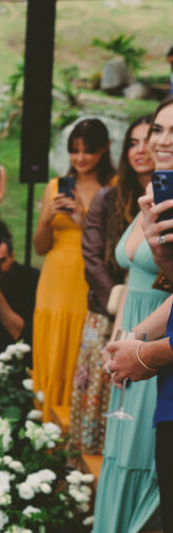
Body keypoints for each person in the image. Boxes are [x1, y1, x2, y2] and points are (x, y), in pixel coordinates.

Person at [86, 111, 163, 533]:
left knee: (140, 465)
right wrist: (121, 337)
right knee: (117, 457)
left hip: (156, 348)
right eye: (158, 131)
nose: (159, 142)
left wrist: (141, 341)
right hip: (130, 340)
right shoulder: (145, 197)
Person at [71, 116, 153, 454]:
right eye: (132, 143)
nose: (141, 149)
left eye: (148, 140)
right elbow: (92, 258)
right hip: (106, 311)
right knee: (94, 395)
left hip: (153, 315)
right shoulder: (108, 197)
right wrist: (117, 305)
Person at [31, 117, 115, 424]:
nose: (80, 158)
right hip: (53, 277)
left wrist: (84, 219)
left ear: (105, 149)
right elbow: (40, 247)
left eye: (88, 151)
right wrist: (46, 219)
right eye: (74, 151)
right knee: (52, 345)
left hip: (89, 277)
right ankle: (45, 421)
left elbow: (116, 247)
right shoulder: (55, 186)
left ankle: (74, 423)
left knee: (80, 344)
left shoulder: (114, 186)